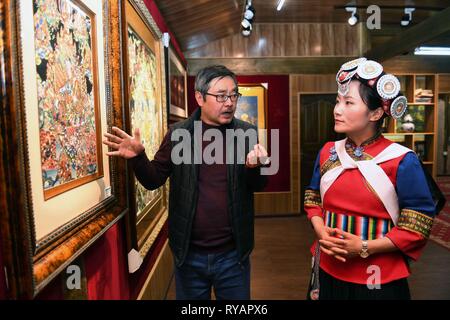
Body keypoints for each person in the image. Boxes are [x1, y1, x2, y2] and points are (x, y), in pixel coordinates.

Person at [103, 65, 269, 300]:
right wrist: (139, 158)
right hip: (189, 256)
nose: (230, 102)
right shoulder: (179, 134)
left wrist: (256, 168)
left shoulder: (246, 133)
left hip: (234, 257)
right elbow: (153, 180)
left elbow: (259, 186)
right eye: (221, 95)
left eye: (234, 95)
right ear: (199, 97)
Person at [304, 57, 436, 300]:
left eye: (348, 102)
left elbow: (418, 224)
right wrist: (320, 230)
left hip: (377, 276)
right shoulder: (328, 152)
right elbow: (313, 198)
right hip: (327, 267)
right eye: (337, 101)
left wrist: (364, 247)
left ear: (375, 113)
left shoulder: (401, 160)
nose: (337, 109)